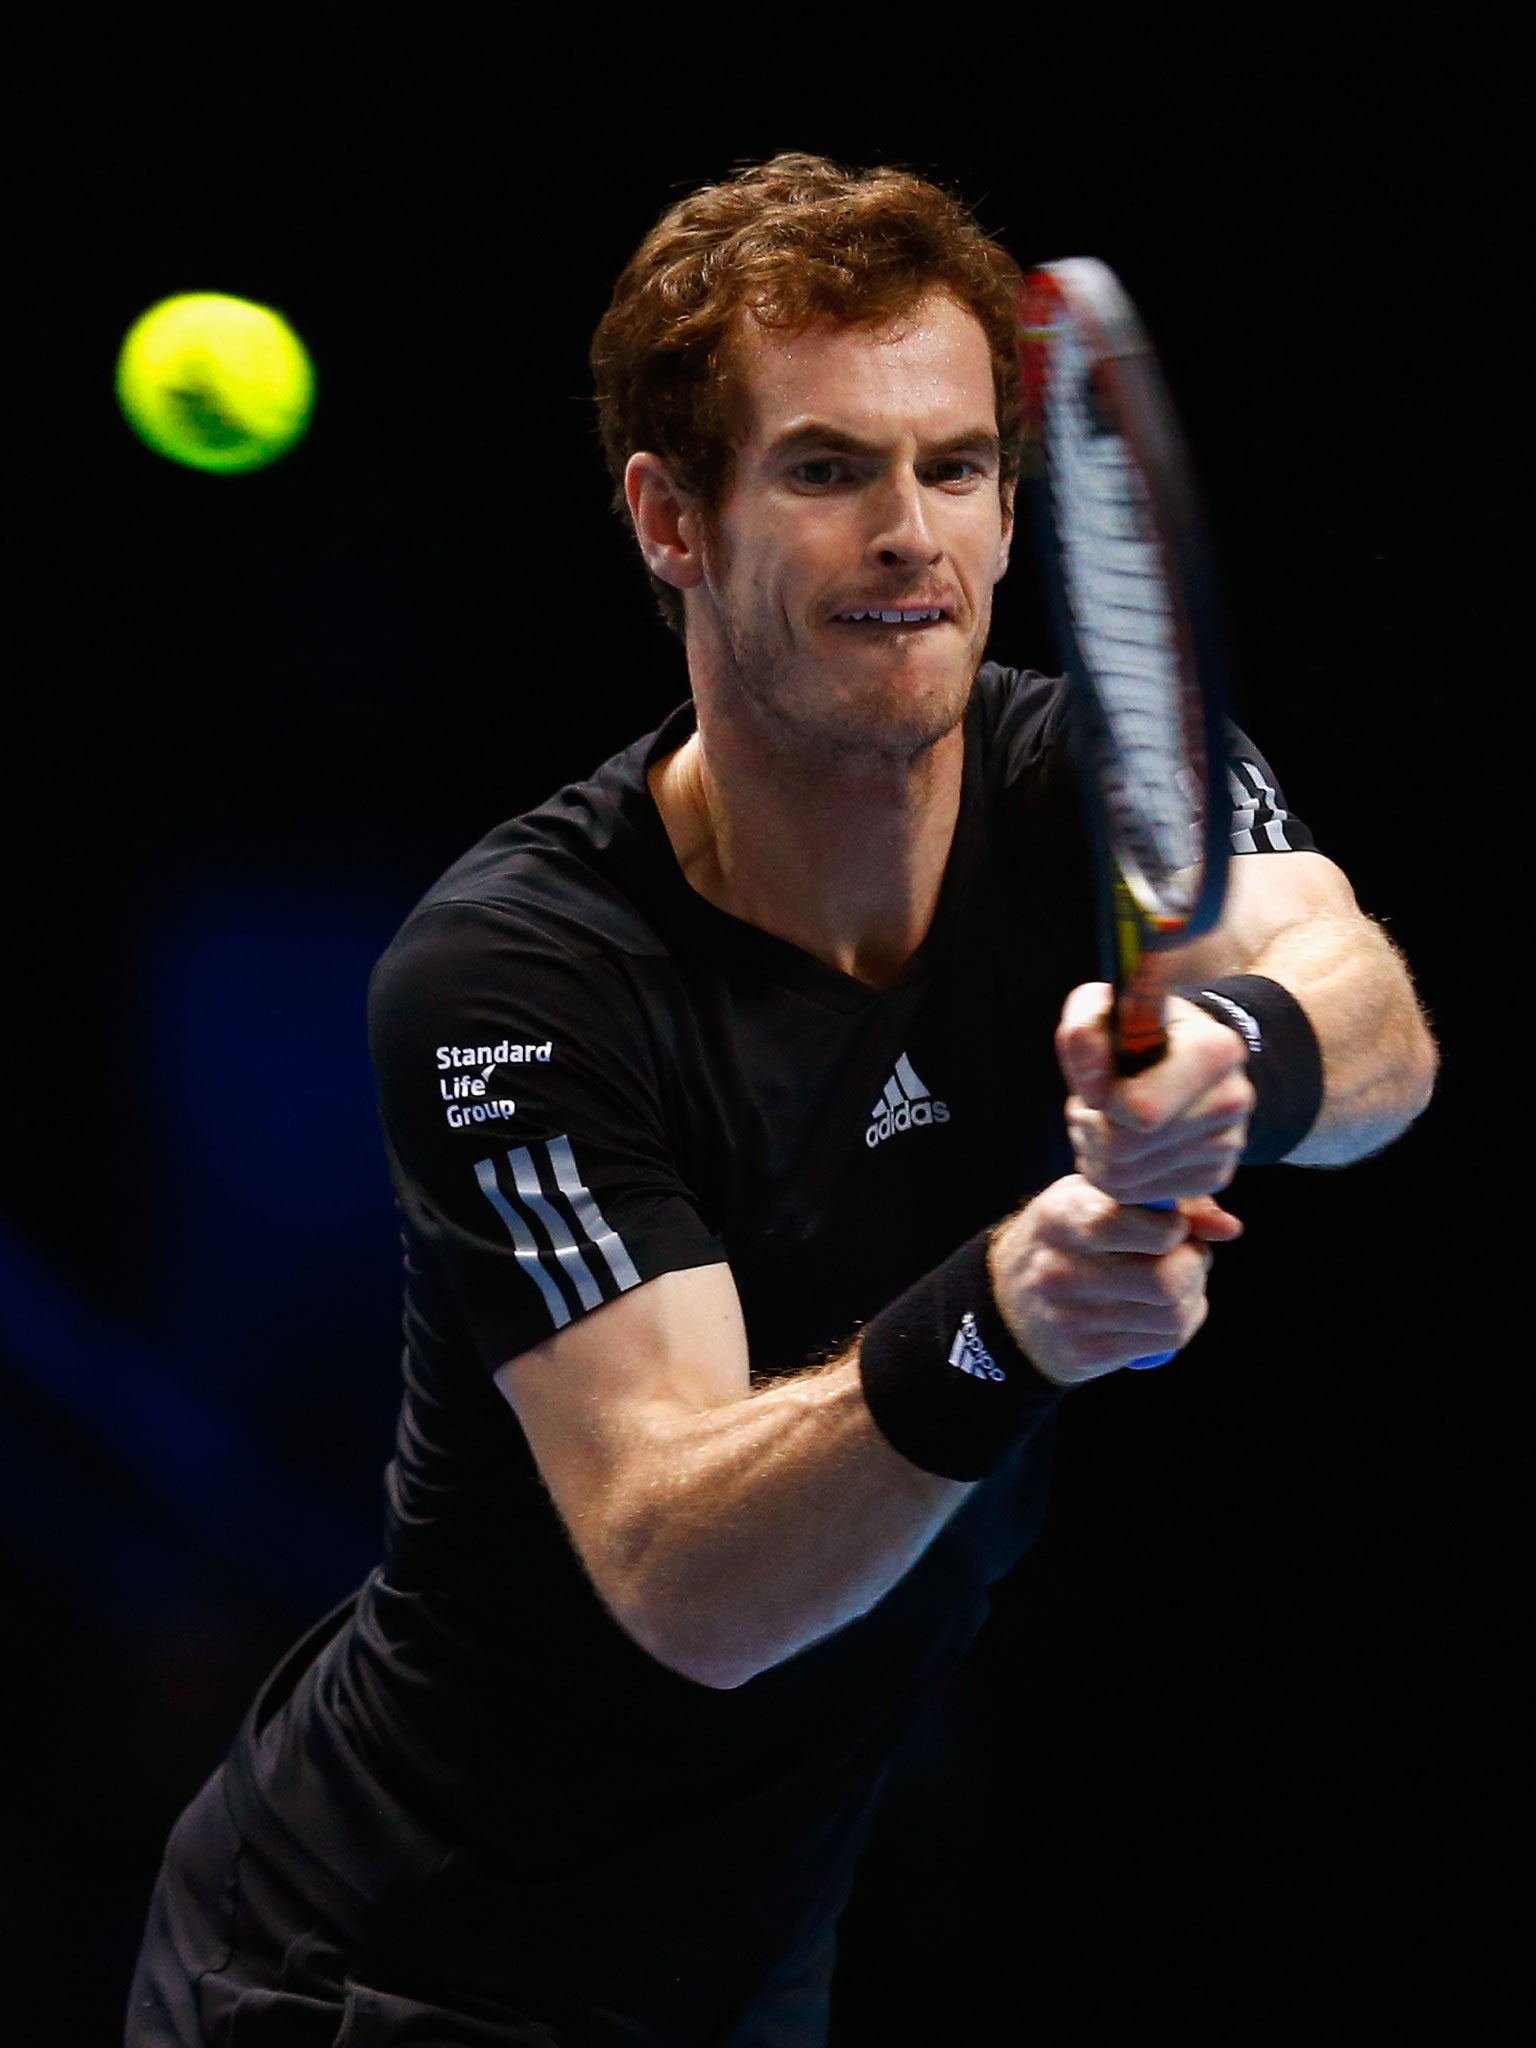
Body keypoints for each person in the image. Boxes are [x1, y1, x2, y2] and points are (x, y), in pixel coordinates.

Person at [127, 153, 1437, 2047]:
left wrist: (1238, 1058)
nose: (913, 531)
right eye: (828, 469)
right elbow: (688, 1578)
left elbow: (1372, 1020)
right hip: (382, 1969)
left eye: (961, 466)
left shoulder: (1078, 779)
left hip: (747, 1971)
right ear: (672, 515)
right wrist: (1009, 1318)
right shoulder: (513, 977)